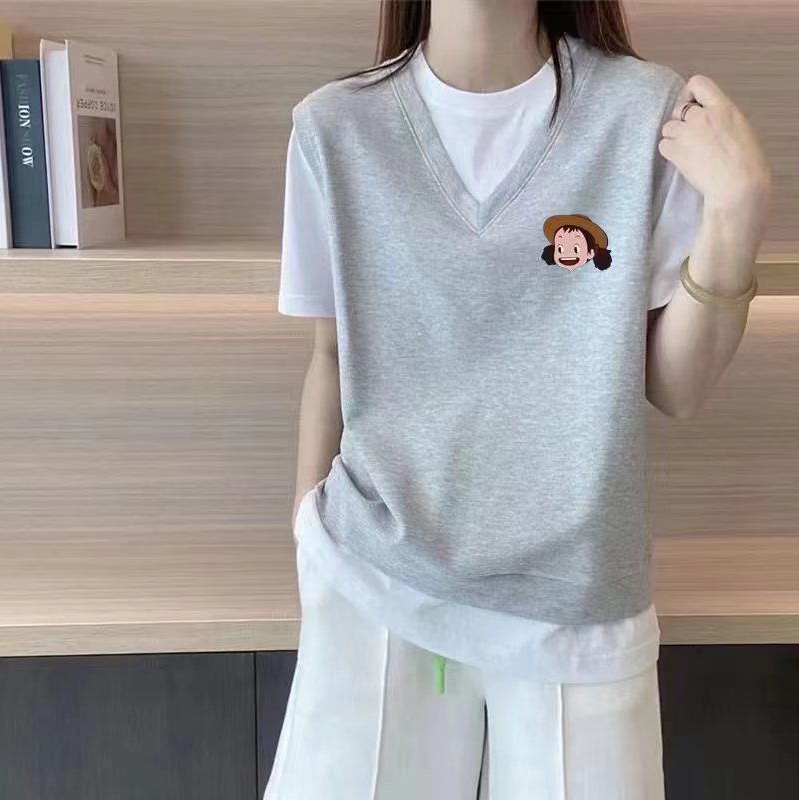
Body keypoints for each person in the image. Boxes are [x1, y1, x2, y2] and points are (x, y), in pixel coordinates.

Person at [266, 1, 771, 797]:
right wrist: (309, 542)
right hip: (373, 579)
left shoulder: (644, 116)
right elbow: (330, 357)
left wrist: (737, 217)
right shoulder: (334, 129)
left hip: (578, 600)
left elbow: (675, 387)